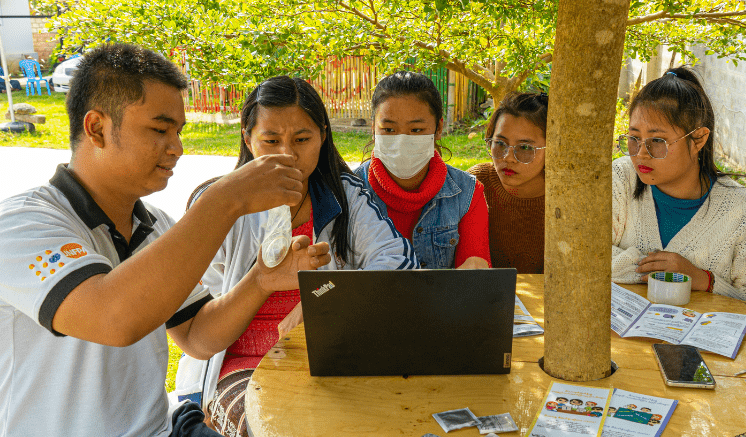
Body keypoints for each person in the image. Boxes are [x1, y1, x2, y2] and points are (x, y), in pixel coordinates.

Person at [0, 43, 329, 437]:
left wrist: (260, 280)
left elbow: (196, 337)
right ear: (97, 128)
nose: (177, 149)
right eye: (160, 130)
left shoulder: (156, 226)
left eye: (178, 132)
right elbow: (112, 318)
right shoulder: (24, 223)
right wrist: (225, 199)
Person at [175, 76, 415, 437]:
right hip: (238, 366)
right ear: (247, 138)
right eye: (271, 140)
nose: (287, 154)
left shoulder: (345, 195)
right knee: (273, 428)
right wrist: (259, 282)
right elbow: (200, 325)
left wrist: (327, 297)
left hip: (328, 360)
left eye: (302, 139)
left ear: (322, 136)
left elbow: (399, 267)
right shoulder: (217, 204)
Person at [611, 67, 746, 305]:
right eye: (633, 139)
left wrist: (703, 280)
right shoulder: (621, 177)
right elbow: (585, 253)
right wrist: (663, 272)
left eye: (657, 141)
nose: (641, 154)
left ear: (699, 138)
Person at [355, 70, 490, 269]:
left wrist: (475, 266)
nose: (401, 140)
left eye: (416, 130)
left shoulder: (468, 194)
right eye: (389, 130)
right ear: (373, 130)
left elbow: (474, 274)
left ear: (438, 129)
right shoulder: (350, 191)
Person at [468, 91, 548, 273]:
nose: (508, 157)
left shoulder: (566, 197)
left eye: (525, 147)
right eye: (500, 144)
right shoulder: (477, 183)